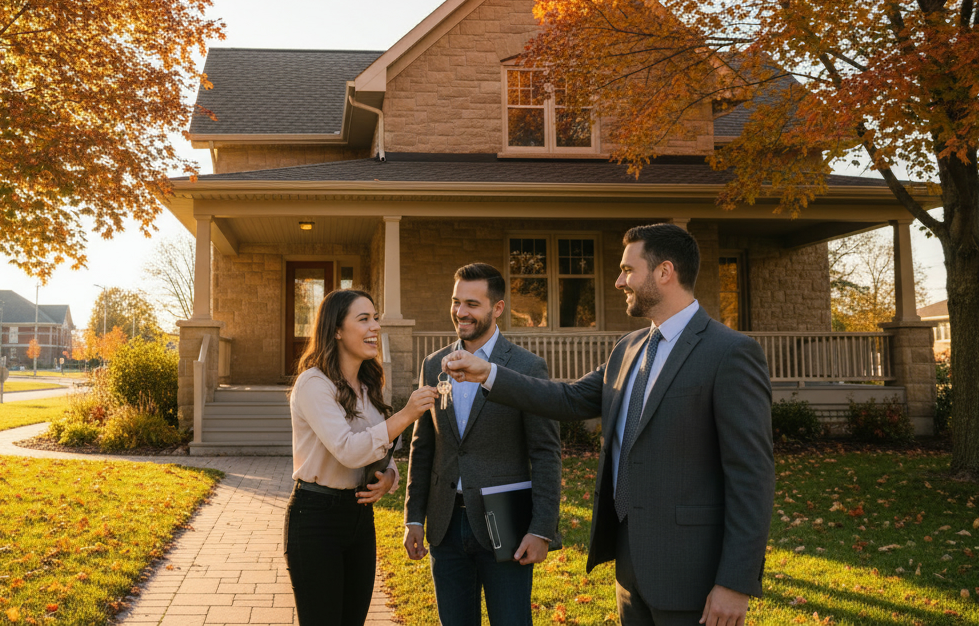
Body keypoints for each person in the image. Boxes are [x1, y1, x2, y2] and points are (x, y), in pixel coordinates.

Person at [445, 224, 774, 626]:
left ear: (664, 272)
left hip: (694, 576)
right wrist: (489, 373)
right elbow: (566, 398)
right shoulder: (629, 348)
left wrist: (735, 583)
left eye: (627, 270)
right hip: (630, 569)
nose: (619, 281)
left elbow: (751, 476)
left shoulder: (730, 353)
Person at [404, 263, 562, 625]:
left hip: (505, 521)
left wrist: (541, 529)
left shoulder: (527, 368)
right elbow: (423, 446)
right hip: (444, 524)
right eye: (456, 302)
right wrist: (414, 517)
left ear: (498, 308)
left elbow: (546, 452)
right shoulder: (433, 365)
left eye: (472, 304)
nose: (461, 312)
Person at [286, 288, 440, 626]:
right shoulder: (314, 384)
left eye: (376, 319)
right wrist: (406, 414)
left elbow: (378, 450)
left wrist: (389, 479)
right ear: (337, 329)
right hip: (316, 520)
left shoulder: (368, 385)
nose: (375, 327)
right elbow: (349, 449)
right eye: (364, 319)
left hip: (359, 519)